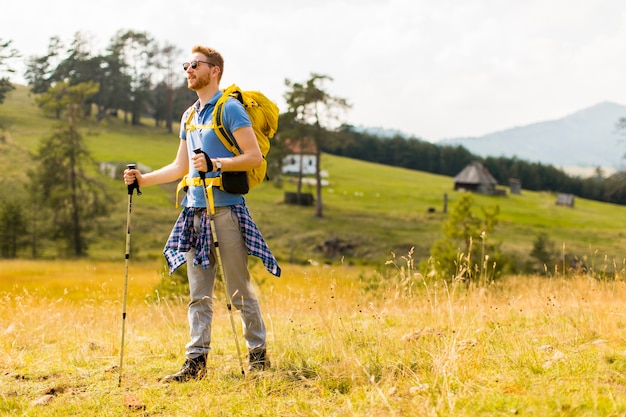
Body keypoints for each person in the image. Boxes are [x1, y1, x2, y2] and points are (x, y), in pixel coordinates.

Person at [123, 45, 281, 382]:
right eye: (186, 65)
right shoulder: (190, 115)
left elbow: (254, 157)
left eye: (195, 64)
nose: (188, 70)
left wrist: (216, 163)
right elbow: (181, 166)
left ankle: (258, 357)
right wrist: (143, 180)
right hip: (193, 211)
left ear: (215, 70)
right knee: (199, 294)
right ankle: (195, 363)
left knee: (239, 290)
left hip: (226, 211)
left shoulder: (230, 110)